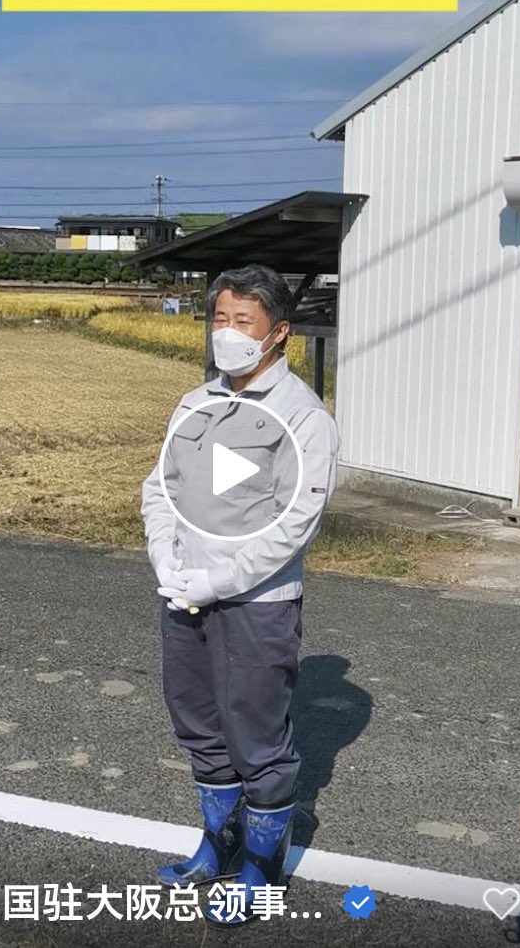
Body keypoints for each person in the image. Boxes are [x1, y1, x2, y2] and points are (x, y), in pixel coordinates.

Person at [141, 263, 339, 926]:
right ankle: (218, 842)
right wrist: (165, 557)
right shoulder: (195, 402)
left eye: (243, 321)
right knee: (197, 721)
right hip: (183, 593)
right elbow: (160, 486)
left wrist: (218, 579)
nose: (227, 332)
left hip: (258, 603)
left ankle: (261, 865)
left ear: (278, 332)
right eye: (220, 318)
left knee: (255, 735)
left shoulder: (303, 416)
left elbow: (294, 523)